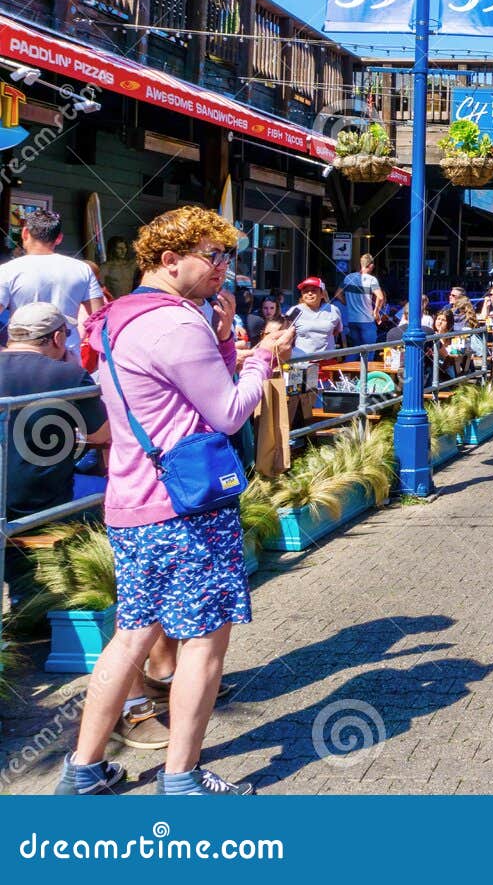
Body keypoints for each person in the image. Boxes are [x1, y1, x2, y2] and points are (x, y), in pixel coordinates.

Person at [59, 207, 294, 796]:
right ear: (170, 260)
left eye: (227, 256)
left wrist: (220, 340)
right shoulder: (175, 323)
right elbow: (228, 411)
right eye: (213, 257)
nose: (224, 268)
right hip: (187, 509)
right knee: (204, 640)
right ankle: (183, 778)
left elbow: (179, 396)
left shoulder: (115, 318)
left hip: (132, 500)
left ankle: (83, 769)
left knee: (133, 633)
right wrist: (263, 353)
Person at [0, 302, 110, 520]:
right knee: (106, 491)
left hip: (11, 504)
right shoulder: (68, 375)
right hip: (41, 504)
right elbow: (101, 435)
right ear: (58, 337)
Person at [0, 209, 105, 355]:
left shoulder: (7, 270)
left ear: (25, 233)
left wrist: (4, 352)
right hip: (68, 357)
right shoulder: (82, 269)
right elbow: (100, 318)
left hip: (23, 357)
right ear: (59, 238)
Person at [333, 254, 386, 348]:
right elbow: (380, 297)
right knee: (369, 350)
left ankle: (349, 363)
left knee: (356, 349)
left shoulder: (348, 277)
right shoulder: (372, 279)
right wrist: (376, 312)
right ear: (371, 266)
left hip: (352, 320)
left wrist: (347, 303)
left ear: (361, 264)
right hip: (367, 320)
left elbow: (337, 294)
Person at [285, 277, 343, 357]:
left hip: (327, 359)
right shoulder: (295, 310)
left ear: (322, 294)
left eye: (313, 290)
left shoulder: (333, 310)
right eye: (305, 291)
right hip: (302, 360)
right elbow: (285, 334)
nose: (309, 293)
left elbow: (337, 331)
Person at [99, 236, 139, 300]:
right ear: (112, 249)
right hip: (115, 303)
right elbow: (99, 289)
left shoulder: (131, 265)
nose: (123, 251)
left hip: (130, 302)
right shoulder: (105, 267)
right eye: (119, 248)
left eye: (125, 248)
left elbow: (145, 255)